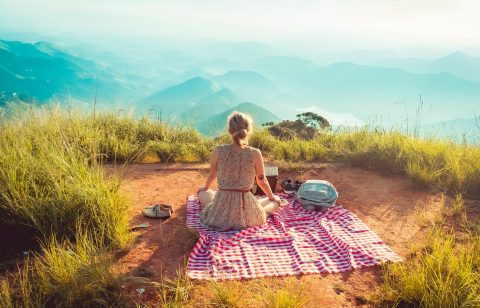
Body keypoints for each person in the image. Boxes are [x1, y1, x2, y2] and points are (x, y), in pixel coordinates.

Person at [197, 111, 282, 231]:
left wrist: (205, 188)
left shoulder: (218, 150)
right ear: (248, 130)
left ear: (229, 130)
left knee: (203, 193)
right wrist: (272, 197)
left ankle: (215, 208)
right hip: (245, 208)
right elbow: (262, 181)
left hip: (221, 206)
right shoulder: (255, 153)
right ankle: (263, 209)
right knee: (275, 200)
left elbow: (212, 175)